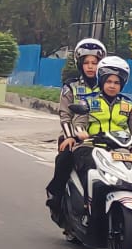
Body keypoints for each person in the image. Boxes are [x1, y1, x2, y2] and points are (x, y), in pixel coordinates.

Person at [46, 38, 109, 212]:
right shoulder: (71, 87)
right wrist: (70, 137)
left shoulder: (106, 87)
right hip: (74, 137)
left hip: (101, 138)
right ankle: (56, 194)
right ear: (80, 64)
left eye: (94, 63)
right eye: (87, 63)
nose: (90, 67)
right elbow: (65, 115)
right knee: (64, 159)